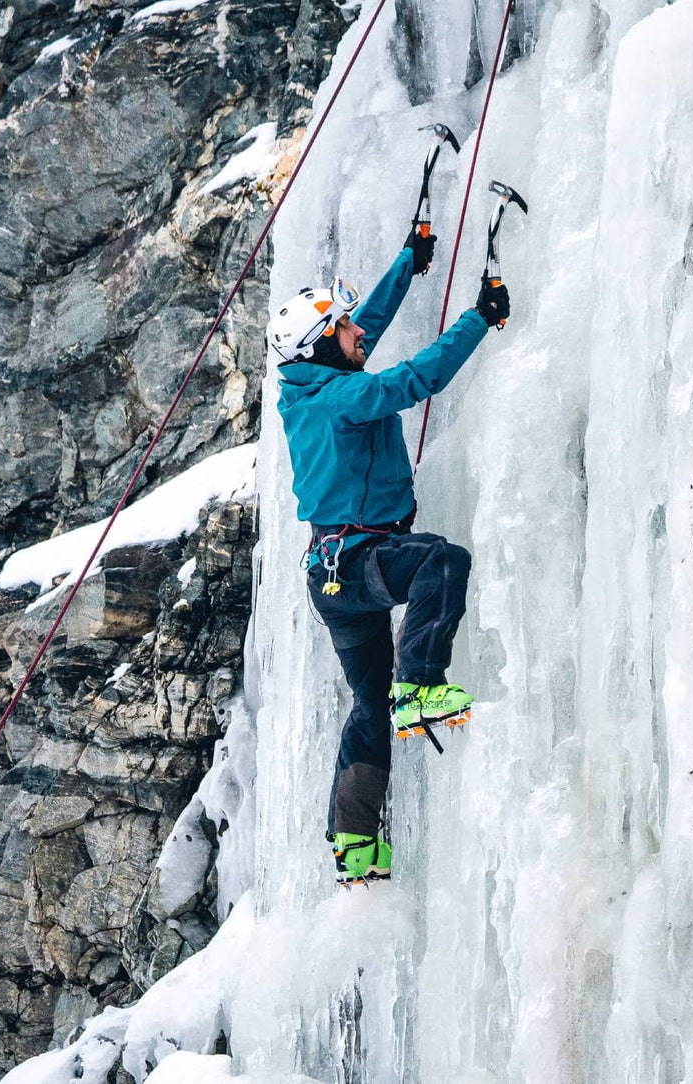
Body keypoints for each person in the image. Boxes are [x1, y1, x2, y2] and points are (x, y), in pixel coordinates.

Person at [267, 223, 510, 886]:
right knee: (440, 561)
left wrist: (408, 261)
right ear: (325, 344)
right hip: (360, 562)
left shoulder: (314, 383)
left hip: (334, 574)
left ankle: (353, 840)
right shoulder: (343, 396)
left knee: (366, 705)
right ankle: (420, 686)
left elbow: (363, 322)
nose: (359, 335)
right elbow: (413, 380)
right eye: (344, 329)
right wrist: (477, 321)